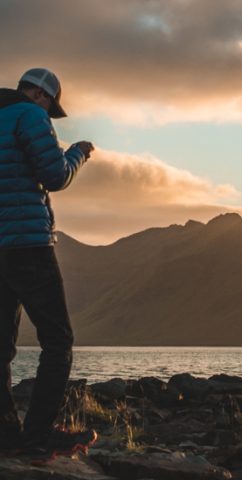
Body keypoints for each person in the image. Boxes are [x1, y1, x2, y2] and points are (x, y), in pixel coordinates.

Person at [0, 68, 97, 457]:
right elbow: (54, 177)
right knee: (58, 342)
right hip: (28, 246)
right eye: (50, 105)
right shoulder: (30, 115)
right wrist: (78, 153)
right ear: (40, 95)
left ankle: (6, 438)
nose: (48, 113)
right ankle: (38, 437)